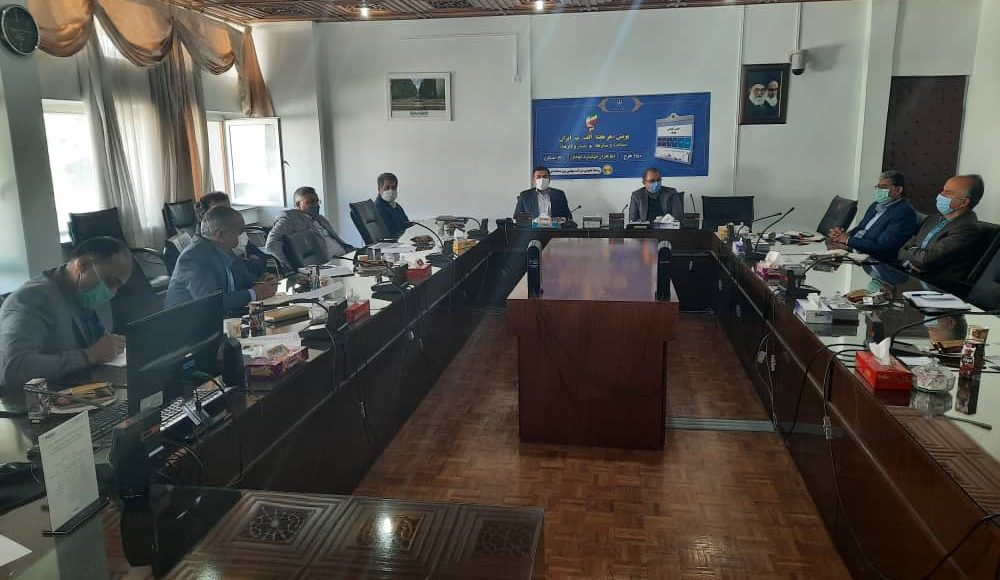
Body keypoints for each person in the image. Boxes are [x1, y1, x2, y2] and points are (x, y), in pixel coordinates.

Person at [0, 237, 132, 389]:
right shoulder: (33, 299)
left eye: (118, 286)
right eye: (111, 282)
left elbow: (101, 346)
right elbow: (14, 368)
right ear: (83, 265)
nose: (112, 293)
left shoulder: (91, 293)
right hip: (37, 399)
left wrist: (112, 347)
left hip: (87, 390)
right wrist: (88, 356)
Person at [166, 206, 279, 315]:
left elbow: (243, 278)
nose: (241, 237)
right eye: (239, 233)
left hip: (222, 318)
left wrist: (263, 282)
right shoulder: (194, 257)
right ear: (220, 235)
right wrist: (254, 294)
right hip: (190, 323)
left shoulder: (224, 248)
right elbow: (211, 303)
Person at [898, 175, 985, 288]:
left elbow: (926, 260)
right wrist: (910, 258)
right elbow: (902, 250)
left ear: (964, 202)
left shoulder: (967, 228)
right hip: (909, 275)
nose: (940, 195)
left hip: (934, 286)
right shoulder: (933, 219)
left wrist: (910, 253)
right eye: (943, 190)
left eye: (948, 193)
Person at [828, 170, 918, 263]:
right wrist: (840, 235)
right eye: (878, 187)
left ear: (898, 190)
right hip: (856, 251)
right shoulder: (875, 205)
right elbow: (860, 228)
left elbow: (882, 248)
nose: (879, 190)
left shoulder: (904, 213)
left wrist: (848, 240)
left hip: (876, 261)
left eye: (884, 187)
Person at [264, 186, 355, 270]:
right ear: (298, 205)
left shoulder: (320, 218)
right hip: (326, 265)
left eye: (316, 201)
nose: (316, 205)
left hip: (345, 256)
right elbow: (271, 245)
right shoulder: (289, 219)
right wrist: (291, 267)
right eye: (310, 202)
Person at [196, 191, 268, 277]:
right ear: (205, 215)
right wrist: (251, 263)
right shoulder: (206, 242)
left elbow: (260, 256)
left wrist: (255, 264)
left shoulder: (231, 228)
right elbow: (233, 270)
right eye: (220, 211)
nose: (227, 214)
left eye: (228, 209)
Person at [374, 173, 411, 239]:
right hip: (391, 243)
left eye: (393, 188)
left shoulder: (395, 205)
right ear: (379, 189)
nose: (391, 191)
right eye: (387, 188)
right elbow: (390, 233)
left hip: (401, 239)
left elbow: (407, 224)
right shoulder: (378, 208)